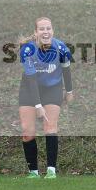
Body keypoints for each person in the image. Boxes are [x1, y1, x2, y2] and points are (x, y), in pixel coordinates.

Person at [18, 17, 73, 179]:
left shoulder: (61, 48)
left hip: (52, 90)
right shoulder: (28, 50)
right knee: (28, 132)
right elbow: (31, 80)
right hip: (30, 90)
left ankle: (51, 171)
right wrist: (37, 105)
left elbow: (66, 71)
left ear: (52, 31)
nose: (45, 32)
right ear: (36, 33)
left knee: (50, 127)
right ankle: (33, 172)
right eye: (41, 29)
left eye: (48, 28)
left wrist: (69, 92)